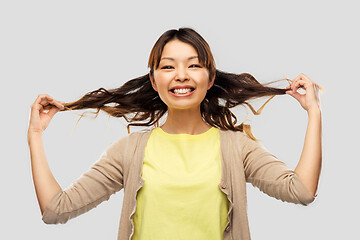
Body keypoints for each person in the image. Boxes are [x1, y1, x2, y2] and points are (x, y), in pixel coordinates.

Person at [27, 27, 322, 240]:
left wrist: (313, 113)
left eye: (193, 65)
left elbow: (302, 191)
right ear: (154, 81)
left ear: (210, 78)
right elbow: (56, 210)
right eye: (168, 67)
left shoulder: (236, 148)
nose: (181, 75)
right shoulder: (129, 151)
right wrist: (35, 137)